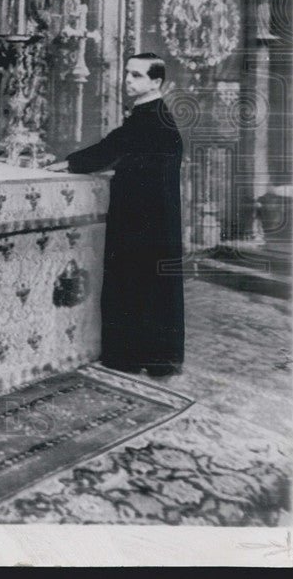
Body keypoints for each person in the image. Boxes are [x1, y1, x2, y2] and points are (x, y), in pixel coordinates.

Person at [47, 53, 184, 377]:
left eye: (136, 76)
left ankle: (128, 356)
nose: (127, 80)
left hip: (141, 216)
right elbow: (125, 153)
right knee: (150, 284)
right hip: (154, 215)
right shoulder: (155, 115)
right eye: (127, 74)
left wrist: (68, 164)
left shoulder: (148, 117)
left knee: (134, 280)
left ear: (156, 82)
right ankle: (154, 356)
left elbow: (111, 149)